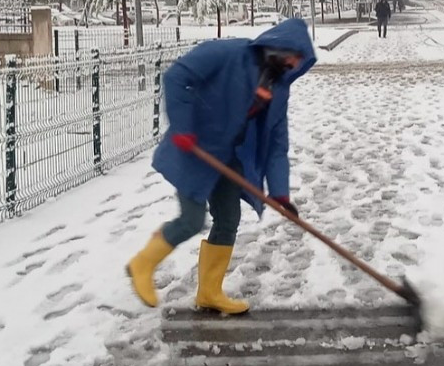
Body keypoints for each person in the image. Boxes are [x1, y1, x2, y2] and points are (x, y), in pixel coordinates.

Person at [127, 18, 317, 314]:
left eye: (299, 61)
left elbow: (277, 145)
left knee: (228, 220)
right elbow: (177, 76)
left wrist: (280, 195)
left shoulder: (277, 88)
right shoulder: (229, 53)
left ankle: (209, 292)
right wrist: (183, 126)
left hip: (228, 158)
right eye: (295, 56)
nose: (294, 65)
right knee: (191, 219)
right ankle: (142, 264)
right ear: (281, 46)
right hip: (193, 148)